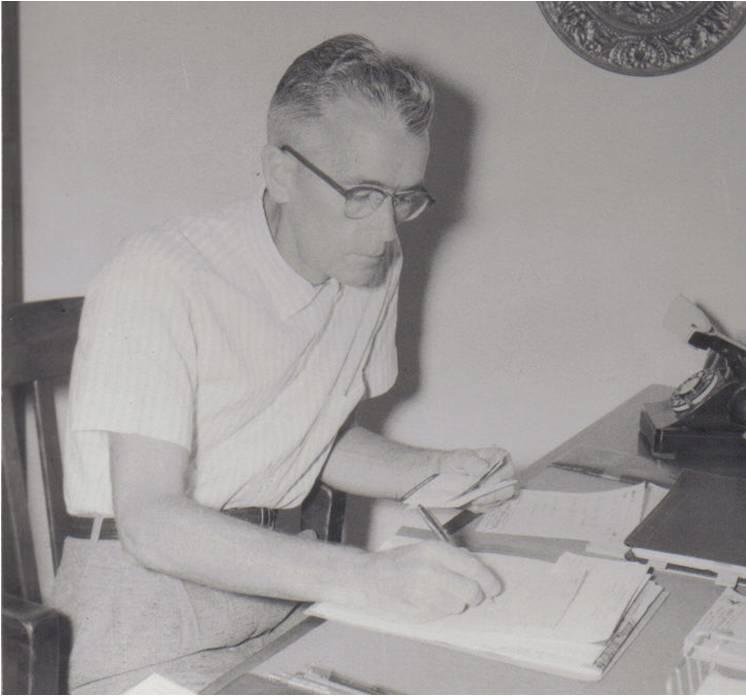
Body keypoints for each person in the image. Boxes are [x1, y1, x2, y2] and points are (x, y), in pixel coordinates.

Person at [52, 34, 517, 690]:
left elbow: (306, 438)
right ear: (280, 171)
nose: (385, 230)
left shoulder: (372, 268)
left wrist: (427, 472)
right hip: (142, 618)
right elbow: (151, 523)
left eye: (404, 197)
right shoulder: (161, 275)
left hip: (276, 600)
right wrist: (365, 576)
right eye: (361, 193)